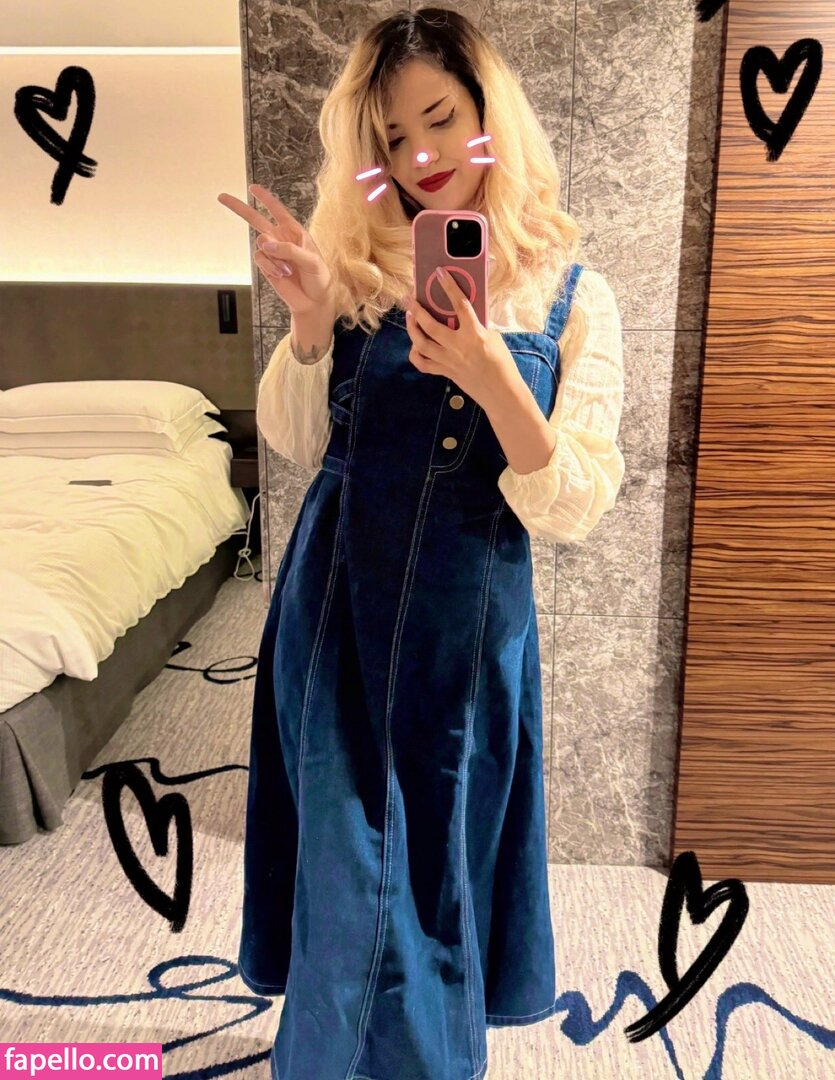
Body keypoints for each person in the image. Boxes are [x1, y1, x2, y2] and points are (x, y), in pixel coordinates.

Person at [219, 7, 625, 1079]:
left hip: (468, 628)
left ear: (491, 113)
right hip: (335, 608)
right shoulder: (354, 267)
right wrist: (312, 321)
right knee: (346, 869)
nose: (420, 157)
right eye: (392, 139)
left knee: (436, 868)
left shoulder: (571, 295)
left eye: (440, 118)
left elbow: (576, 502)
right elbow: (297, 442)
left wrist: (496, 381)